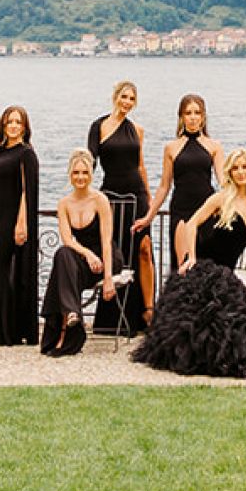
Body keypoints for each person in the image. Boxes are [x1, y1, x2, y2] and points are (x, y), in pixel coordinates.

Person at [132, 151, 246, 381]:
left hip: (227, 271)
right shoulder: (221, 199)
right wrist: (191, 257)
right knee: (215, 313)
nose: (241, 172)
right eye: (236, 168)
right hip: (205, 264)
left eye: (245, 167)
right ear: (230, 173)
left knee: (240, 322)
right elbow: (192, 224)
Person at [87, 79, 153, 334]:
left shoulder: (137, 129)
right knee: (114, 252)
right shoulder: (98, 126)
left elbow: (140, 165)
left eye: (132, 99)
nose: (127, 103)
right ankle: (112, 318)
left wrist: (149, 200)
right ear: (115, 97)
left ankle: (147, 311)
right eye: (124, 97)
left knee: (144, 249)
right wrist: (84, 195)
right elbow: (91, 161)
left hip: (137, 194)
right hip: (110, 198)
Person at [41, 150, 120, 356]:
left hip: (107, 258)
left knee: (62, 268)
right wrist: (87, 254)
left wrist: (109, 278)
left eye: (84, 173)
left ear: (91, 175)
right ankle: (72, 314)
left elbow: (106, 242)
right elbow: (68, 240)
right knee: (62, 254)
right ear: (70, 174)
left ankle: (63, 331)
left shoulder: (100, 200)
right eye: (76, 173)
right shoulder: (64, 203)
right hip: (84, 259)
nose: (80, 177)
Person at [0, 105, 39, 347]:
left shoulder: (26, 154)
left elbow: (26, 192)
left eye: (17, 122)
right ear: (3, 125)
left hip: (9, 222)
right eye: (9, 122)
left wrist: (22, 224)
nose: (13, 126)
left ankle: (4, 333)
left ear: (25, 127)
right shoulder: (0, 151)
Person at [150, 95, 224, 277]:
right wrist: (149, 216)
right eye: (188, 113)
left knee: (207, 266)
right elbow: (164, 186)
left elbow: (224, 181)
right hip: (181, 210)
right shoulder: (171, 147)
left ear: (203, 116)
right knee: (182, 267)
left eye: (197, 113)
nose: (193, 117)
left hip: (207, 210)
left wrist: (240, 201)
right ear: (181, 117)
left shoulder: (214, 146)